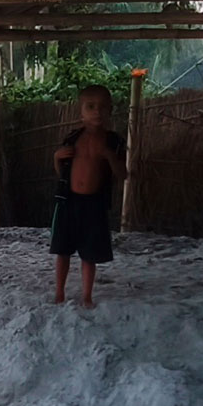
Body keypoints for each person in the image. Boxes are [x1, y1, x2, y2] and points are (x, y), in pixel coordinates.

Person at [50, 85, 128, 308]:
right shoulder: (73, 138)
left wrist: (110, 158)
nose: (97, 112)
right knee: (62, 250)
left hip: (94, 204)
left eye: (102, 108)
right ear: (80, 112)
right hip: (68, 201)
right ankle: (59, 292)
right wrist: (56, 158)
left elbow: (123, 175)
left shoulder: (114, 142)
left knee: (89, 253)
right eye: (91, 107)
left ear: (110, 111)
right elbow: (62, 173)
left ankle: (86, 295)